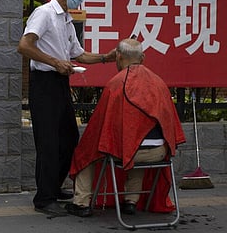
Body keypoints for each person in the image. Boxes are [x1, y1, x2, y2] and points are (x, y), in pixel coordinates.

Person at [17, 0, 116, 217]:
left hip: (60, 83)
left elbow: (78, 54)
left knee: (70, 138)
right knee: (48, 142)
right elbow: (24, 46)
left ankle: (53, 186)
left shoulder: (66, 19)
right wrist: (54, 62)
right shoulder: (44, 14)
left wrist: (107, 57)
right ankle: (44, 198)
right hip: (44, 83)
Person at [66, 38, 186, 217]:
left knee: (87, 151)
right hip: (159, 152)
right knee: (139, 143)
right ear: (143, 58)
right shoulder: (159, 83)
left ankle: (81, 203)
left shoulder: (116, 83)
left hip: (128, 151)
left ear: (119, 57)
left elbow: (99, 128)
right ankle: (131, 200)